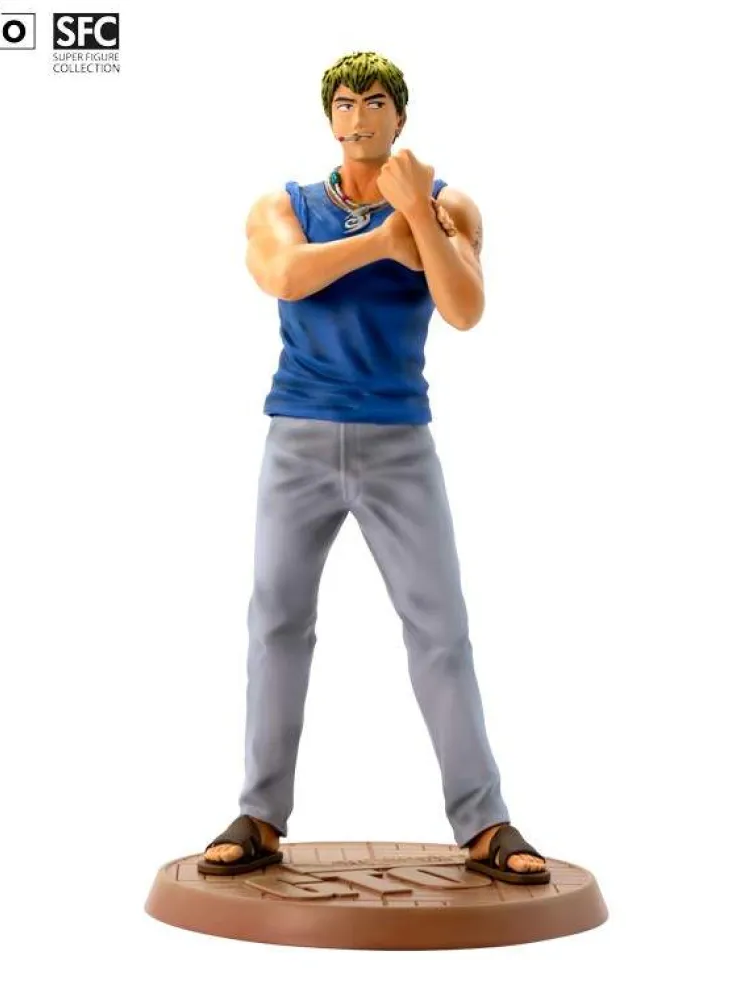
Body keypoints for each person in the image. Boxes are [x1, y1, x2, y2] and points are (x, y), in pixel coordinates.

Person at [199, 51, 549, 884]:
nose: (359, 117)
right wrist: (384, 241)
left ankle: (483, 819)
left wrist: (415, 217)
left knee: (440, 627)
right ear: (330, 118)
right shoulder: (285, 206)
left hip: (399, 441)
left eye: (376, 102)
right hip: (299, 436)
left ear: (401, 116)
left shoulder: (447, 204)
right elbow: (284, 274)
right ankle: (260, 813)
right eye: (346, 103)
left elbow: (464, 308)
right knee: (277, 621)